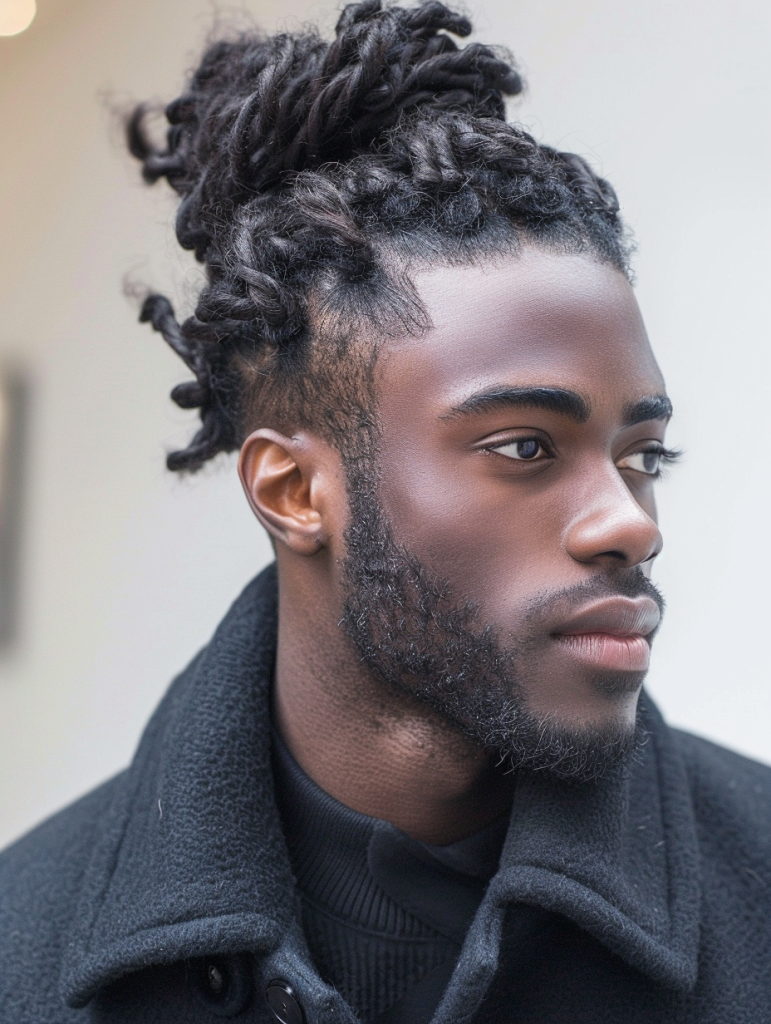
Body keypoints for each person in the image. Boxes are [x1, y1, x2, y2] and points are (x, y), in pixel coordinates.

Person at [2, 1, 771, 1021]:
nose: (632, 522)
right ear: (292, 492)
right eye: (526, 448)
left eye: (643, 454)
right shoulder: (24, 949)